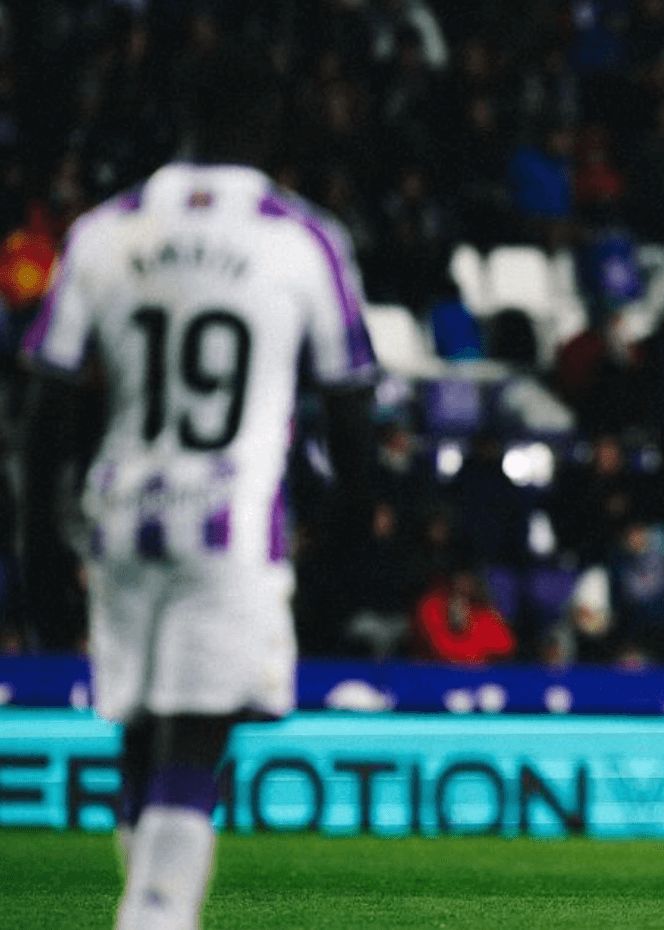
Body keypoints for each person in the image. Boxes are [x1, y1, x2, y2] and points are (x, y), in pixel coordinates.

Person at [20, 46, 376, 930]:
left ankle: (148, 907)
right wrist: (338, 543)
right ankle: (155, 916)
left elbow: (44, 415)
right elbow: (355, 418)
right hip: (233, 521)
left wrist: (37, 543)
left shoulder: (104, 232)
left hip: (120, 518)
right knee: (197, 732)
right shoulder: (302, 239)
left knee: (141, 733)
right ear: (266, 128)